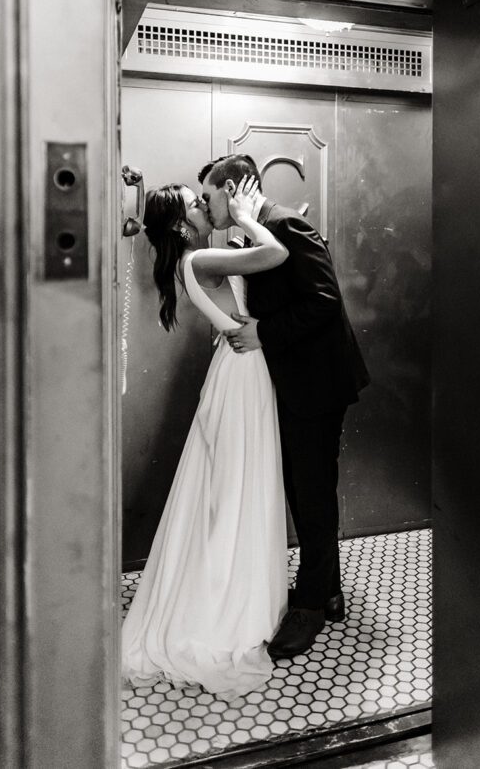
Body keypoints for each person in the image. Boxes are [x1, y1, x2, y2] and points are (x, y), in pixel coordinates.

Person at [121, 176, 289, 699]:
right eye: (196, 203)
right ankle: (226, 603)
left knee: (228, 491)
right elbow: (277, 252)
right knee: (237, 490)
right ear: (178, 222)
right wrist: (246, 217)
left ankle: (229, 587)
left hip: (237, 371)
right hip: (243, 375)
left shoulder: (197, 260)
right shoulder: (198, 262)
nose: (205, 204)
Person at [198, 154, 370, 659]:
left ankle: (311, 608)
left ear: (230, 189)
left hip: (317, 385)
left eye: (209, 196)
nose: (207, 207)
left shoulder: (284, 224)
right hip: (297, 384)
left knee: (311, 490)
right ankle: (330, 589)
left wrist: (262, 333)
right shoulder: (257, 231)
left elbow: (325, 300)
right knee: (304, 487)